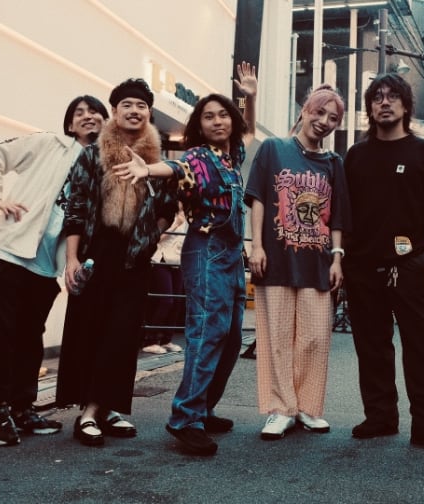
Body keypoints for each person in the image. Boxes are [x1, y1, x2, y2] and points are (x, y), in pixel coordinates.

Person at [114, 62, 257, 455]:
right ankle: (185, 418)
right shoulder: (198, 156)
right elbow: (175, 166)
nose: (217, 121)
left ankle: (203, 407)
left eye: (223, 114)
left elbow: (248, 130)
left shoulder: (231, 157)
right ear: (199, 125)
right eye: (208, 116)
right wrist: (147, 169)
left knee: (231, 339)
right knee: (207, 334)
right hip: (206, 251)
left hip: (232, 256)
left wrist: (250, 97)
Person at [342, 73, 424, 452]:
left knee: (422, 347)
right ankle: (380, 416)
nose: (385, 102)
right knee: (372, 346)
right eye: (377, 97)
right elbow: (344, 213)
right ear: (369, 107)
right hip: (362, 265)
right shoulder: (356, 155)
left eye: (393, 96)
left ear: (406, 105)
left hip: (411, 264)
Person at [0, 95, 109, 446]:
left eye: (95, 111)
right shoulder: (48, 143)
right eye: (79, 112)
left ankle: (22, 408)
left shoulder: (103, 164)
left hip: (46, 266)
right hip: (10, 254)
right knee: (0, 338)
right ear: (69, 124)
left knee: (29, 341)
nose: (87, 116)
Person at [55, 78, 178, 447]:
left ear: (149, 112)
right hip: (96, 254)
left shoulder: (157, 159)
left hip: (135, 257)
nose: (134, 111)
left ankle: (105, 409)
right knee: (90, 331)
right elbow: (75, 207)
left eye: (141, 105)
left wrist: (151, 234)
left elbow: (168, 209)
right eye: (127, 104)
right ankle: (89, 411)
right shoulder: (92, 154)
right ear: (114, 110)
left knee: (123, 336)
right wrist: (72, 259)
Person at [244, 84, 347, 441]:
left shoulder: (334, 163)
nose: (324, 121)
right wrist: (257, 246)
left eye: (333, 118)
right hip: (276, 259)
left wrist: (337, 258)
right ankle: (280, 408)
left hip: (317, 262)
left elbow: (337, 217)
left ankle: (305, 406)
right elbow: (258, 197)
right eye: (319, 112)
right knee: (277, 337)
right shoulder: (274, 149)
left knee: (314, 338)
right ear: (304, 110)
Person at [141, 208, 186, 355]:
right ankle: (150, 341)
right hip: (161, 259)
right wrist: (175, 224)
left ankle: (166, 340)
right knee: (166, 301)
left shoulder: (188, 216)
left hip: (178, 261)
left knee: (177, 302)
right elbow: (155, 238)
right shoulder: (167, 212)